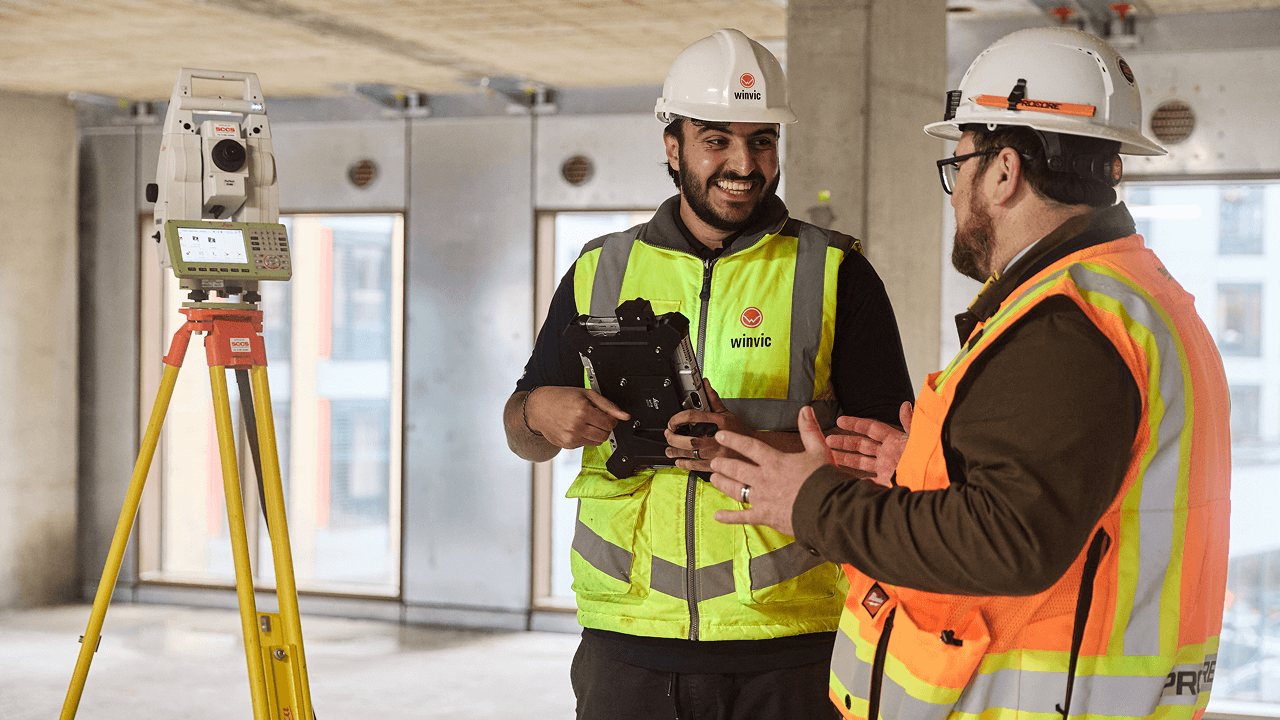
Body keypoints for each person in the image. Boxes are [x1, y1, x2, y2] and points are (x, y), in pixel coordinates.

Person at [705, 27, 1232, 720]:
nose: (954, 197)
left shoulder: (1065, 324)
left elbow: (1009, 540)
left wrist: (814, 502)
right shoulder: (1132, 295)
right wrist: (934, 474)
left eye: (959, 169)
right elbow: (1063, 493)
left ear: (1005, 169)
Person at [503, 28, 915, 720]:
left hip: (789, 644)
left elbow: (894, 458)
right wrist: (539, 410)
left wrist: (743, 445)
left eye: (762, 141)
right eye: (717, 139)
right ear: (674, 145)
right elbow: (522, 431)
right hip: (626, 646)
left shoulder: (837, 272)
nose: (744, 163)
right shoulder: (598, 270)